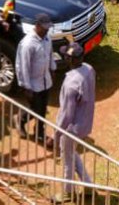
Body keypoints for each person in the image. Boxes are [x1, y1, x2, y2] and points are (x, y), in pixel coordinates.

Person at [52, 42, 95, 204]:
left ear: (70, 59)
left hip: (72, 129)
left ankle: (68, 192)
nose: (64, 57)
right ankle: (88, 184)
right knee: (72, 153)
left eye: (66, 56)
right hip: (85, 123)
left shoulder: (71, 84)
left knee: (67, 159)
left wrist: (57, 133)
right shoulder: (89, 69)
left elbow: (66, 115)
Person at [15, 13, 55, 145]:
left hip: (45, 81)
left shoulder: (47, 38)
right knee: (35, 109)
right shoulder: (27, 44)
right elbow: (23, 66)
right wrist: (26, 86)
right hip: (33, 84)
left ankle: (39, 132)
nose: (46, 30)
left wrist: (52, 69)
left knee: (42, 109)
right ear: (37, 26)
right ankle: (20, 121)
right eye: (44, 28)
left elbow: (50, 55)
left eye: (48, 28)